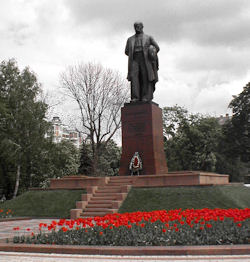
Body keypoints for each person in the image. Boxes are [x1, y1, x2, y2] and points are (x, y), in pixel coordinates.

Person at [125, 21, 160, 102]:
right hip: (134, 59)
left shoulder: (149, 37)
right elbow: (127, 51)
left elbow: (157, 48)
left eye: (138, 26)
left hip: (145, 59)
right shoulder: (130, 39)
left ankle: (145, 96)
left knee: (145, 77)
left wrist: (151, 53)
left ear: (142, 27)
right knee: (134, 78)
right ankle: (135, 97)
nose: (137, 27)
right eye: (135, 26)